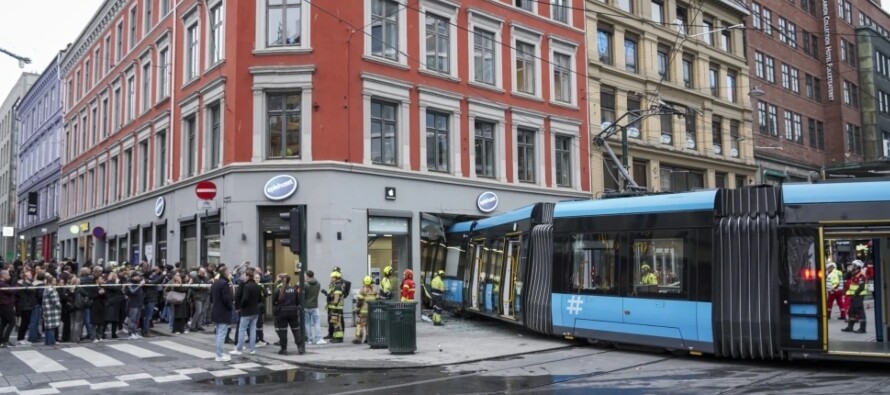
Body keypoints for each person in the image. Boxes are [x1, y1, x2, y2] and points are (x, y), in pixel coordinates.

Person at [231, 268, 261, 356]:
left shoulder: (247, 286)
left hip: (246, 311)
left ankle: (239, 349)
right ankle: (252, 349)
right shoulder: (257, 286)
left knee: (242, 330)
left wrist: (240, 307)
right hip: (255, 311)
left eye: (245, 275)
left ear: (248, 276)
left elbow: (245, 299)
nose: (243, 277)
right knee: (252, 330)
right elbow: (259, 299)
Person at [274, 274, 305, 355]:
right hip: (293, 312)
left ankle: (283, 349)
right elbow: (298, 301)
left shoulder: (279, 290)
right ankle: (300, 347)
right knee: (296, 330)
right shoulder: (293, 289)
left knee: (283, 331)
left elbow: (274, 302)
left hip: (282, 313)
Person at [211, 266, 234, 362]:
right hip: (223, 310)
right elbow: (226, 298)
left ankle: (219, 353)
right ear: (224, 272)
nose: (229, 272)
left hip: (216, 309)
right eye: (228, 271)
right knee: (221, 333)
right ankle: (219, 355)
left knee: (218, 333)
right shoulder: (224, 283)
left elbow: (211, 298)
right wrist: (230, 307)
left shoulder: (215, 283)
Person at [842, 260, 869, 333]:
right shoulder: (854, 274)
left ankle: (862, 328)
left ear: (858, 267)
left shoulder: (861, 275)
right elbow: (844, 277)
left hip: (858, 295)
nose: (852, 267)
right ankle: (850, 327)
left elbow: (861, 287)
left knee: (860, 311)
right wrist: (849, 272)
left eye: (854, 265)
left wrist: (856, 294)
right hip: (854, 296)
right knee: (851, 311)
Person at [353, 275, 377, 344]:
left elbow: (359, 301)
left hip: (363, 311)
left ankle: (358, 338)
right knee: (369, 325)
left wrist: (357, 309)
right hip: (372, 310)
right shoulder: (374, 290)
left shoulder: (362, 290)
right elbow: (377, 299)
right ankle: (368, 338)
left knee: (359, 324)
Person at [15, 270, 35, 346]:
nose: (31, 276)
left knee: (27, 323)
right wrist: (28, 284)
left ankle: (22, 338)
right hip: (25, 306)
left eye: (31, 274)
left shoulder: (29, 283)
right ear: (25, 277)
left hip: (29, 305)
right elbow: (31, 291)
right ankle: (20, 339)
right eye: (29, 275)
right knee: (24, 323)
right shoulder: (22, 284)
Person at [303, 270, 324, 345]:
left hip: (306, 306)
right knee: (317, 323)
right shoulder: (318, 284)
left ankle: (309, 339)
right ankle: (318, 338)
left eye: (305, 275)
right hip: (315, 306)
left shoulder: (305, 284)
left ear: (308, 276)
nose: (304, 277)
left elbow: (303, 295)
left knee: (307, 323)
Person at [325, 271, 345, 343]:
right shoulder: (338, 285)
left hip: (336, 307)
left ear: (336, 278)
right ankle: (336, 336)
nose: (331, 278)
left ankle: (338, 338)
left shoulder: (337, 286)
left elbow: (336, 297)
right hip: (337, 307)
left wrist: (334, 305)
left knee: (337, 323)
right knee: (336, 322)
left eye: (332, 277)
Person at [103, 272, 124, 339]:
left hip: (115, 304)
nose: (116, 277)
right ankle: (102, 333)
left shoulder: (114, 283)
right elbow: (114, 288)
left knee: (115, 320)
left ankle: (113, 334)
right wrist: (117, 284)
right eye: (115, 276)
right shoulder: (109, 282)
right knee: (107, 320)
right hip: (110, 303)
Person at [67, 277, 88, 343]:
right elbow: (87, 294)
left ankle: (72, 338)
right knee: (78, 323)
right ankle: (77, 338)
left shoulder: (69, 288)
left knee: (72, 323)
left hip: (71, 307)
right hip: (78, 307)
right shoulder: (79, 289)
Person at [42, 275, 62, 346]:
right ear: (50, 281)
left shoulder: (46, 289)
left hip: (47, 310)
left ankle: (47, 342)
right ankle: (51, 342)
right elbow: (55, 301)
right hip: (52, 310)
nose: (56, 282)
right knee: (51, 327)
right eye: (54, 280)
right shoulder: (51, 289)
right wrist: (60, 306)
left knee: (48, 326)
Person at [125, 274, 144, 340]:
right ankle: (130, 333)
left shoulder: (137, 284)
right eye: (136, 276)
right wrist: (139, 286)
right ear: (132, 277)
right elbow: (132, 292)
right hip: (133, 304)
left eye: (138, 276)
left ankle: (134, 332)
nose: (138, 277)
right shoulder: (130, 284)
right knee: (132, 319)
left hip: (138, 304)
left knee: (136, 319)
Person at [0, 269, 15, 348]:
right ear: (3, 275)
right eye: (8, 274)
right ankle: (5, 340)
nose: (9, 275)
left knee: (3, 323)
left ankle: (2, 340)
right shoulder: (3, 284)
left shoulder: (4, 283)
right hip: (6, 305)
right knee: (12, 322)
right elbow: (12, 291)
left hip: (3, 305)